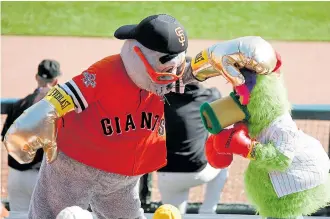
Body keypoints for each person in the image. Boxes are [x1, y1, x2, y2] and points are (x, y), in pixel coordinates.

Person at [155, 82, 229, 214]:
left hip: (167, 174)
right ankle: (208, 211)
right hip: (199, 171)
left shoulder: (160, 98)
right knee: (223, 161)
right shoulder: (210, 96)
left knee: (174, 214)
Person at [1, 59, 62, 211]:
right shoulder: (57, 109)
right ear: (55, 81)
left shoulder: (19, 104)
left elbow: (5, 138)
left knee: (17, 214)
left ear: (37, 77)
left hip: (15, 176)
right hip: (40, 177)